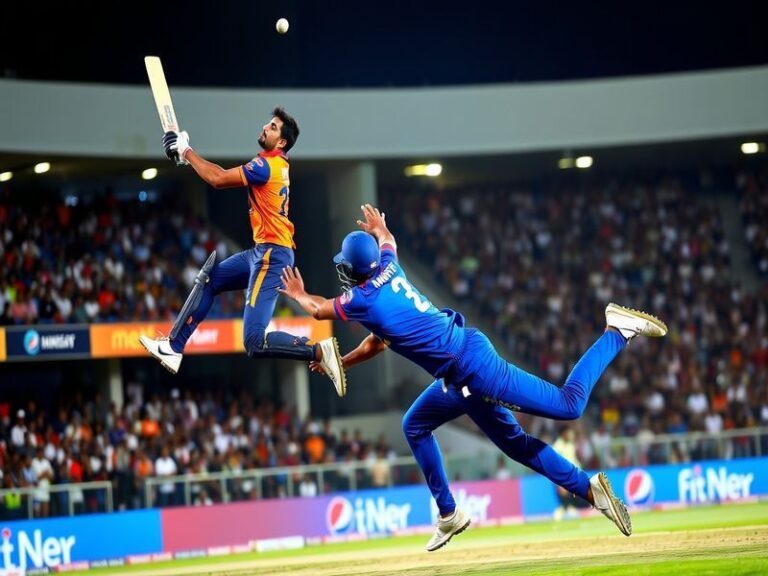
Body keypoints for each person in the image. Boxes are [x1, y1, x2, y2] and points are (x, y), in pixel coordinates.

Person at [278, 204, 668, 552]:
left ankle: (616, 331)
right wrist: (379, 229)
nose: (343, 272)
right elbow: (379, 333)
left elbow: (316, 310)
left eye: (345, 266)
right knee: (418, 425)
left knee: (570, 405)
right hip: (458, 372)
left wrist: (297, 293)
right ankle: (459, 512)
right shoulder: (389, 267)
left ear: (354, 271)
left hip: (473, 370)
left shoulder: (363, 299)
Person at [138, 108, 345, 395]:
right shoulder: (276, 164)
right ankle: (173, 347)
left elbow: (218, 179)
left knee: (254, 342)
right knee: (209, 279)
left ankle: (318, 352)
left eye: (272, 127)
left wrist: (186, 151)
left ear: (282, 142)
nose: (265, 127)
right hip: (263, 251)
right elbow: (217, 175)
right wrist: (188, 155)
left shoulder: (265, 166)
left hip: (272, 255)